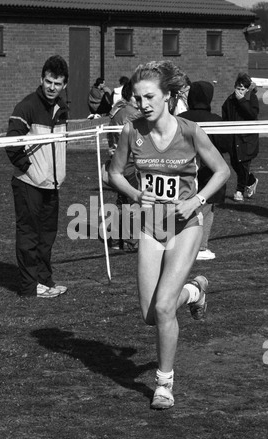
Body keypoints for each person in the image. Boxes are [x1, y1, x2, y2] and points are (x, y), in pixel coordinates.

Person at [108, 60, 230, 410]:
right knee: (151, 315)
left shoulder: (190, 131)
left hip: (185, 228)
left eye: (149, 96)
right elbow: (113, 173)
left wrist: (196, 200)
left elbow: (221, 171)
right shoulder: (132, 132)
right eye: (137, 97)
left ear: (167, 96)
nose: (143, 104)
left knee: (163, 306)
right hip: (150, 227)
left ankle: (164, 384)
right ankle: (195, 291)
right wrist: (135, 195)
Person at [6, 55, 69, 298]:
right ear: (41, 80)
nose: (52, 87)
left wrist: (55, 173)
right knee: (29, 235)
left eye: (58, 83)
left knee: (47, 237)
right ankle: (29, 287)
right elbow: (12, 145)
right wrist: (31, 169)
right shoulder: (27, 106)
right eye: (49, 82)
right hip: (28, 184)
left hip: (51, 185)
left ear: (64, 85)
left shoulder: (62, 109)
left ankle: (45, 281)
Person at [179, 80, 231, 260]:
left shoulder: (180, 118)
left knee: (184, 207)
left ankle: (183, 244)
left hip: (183, 170)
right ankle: (200, 247)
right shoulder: (216, 120)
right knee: (207, 207)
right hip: (210, 173)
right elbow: (225, 145)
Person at [106, 80, 142, 250]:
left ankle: (114, 240)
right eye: (139, 96)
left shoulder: (117, 110)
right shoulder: (132, 114)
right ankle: (131, 241)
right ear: (131, 96)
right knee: (134, 202)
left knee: (121, 202)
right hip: (129, 164)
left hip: (117, 163)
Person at [222, 72, 259, 202]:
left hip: (247, 139)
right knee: (235, 163)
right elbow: (225, 116)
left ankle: (239, 191)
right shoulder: (229, 100)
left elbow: (252, 114)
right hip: (233, 138)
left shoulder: (251, 98)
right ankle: (251, 180)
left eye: (242, 89)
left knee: (243, 164)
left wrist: (242, 101)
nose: (239, 91)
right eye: (238, 88)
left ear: (247, 89)